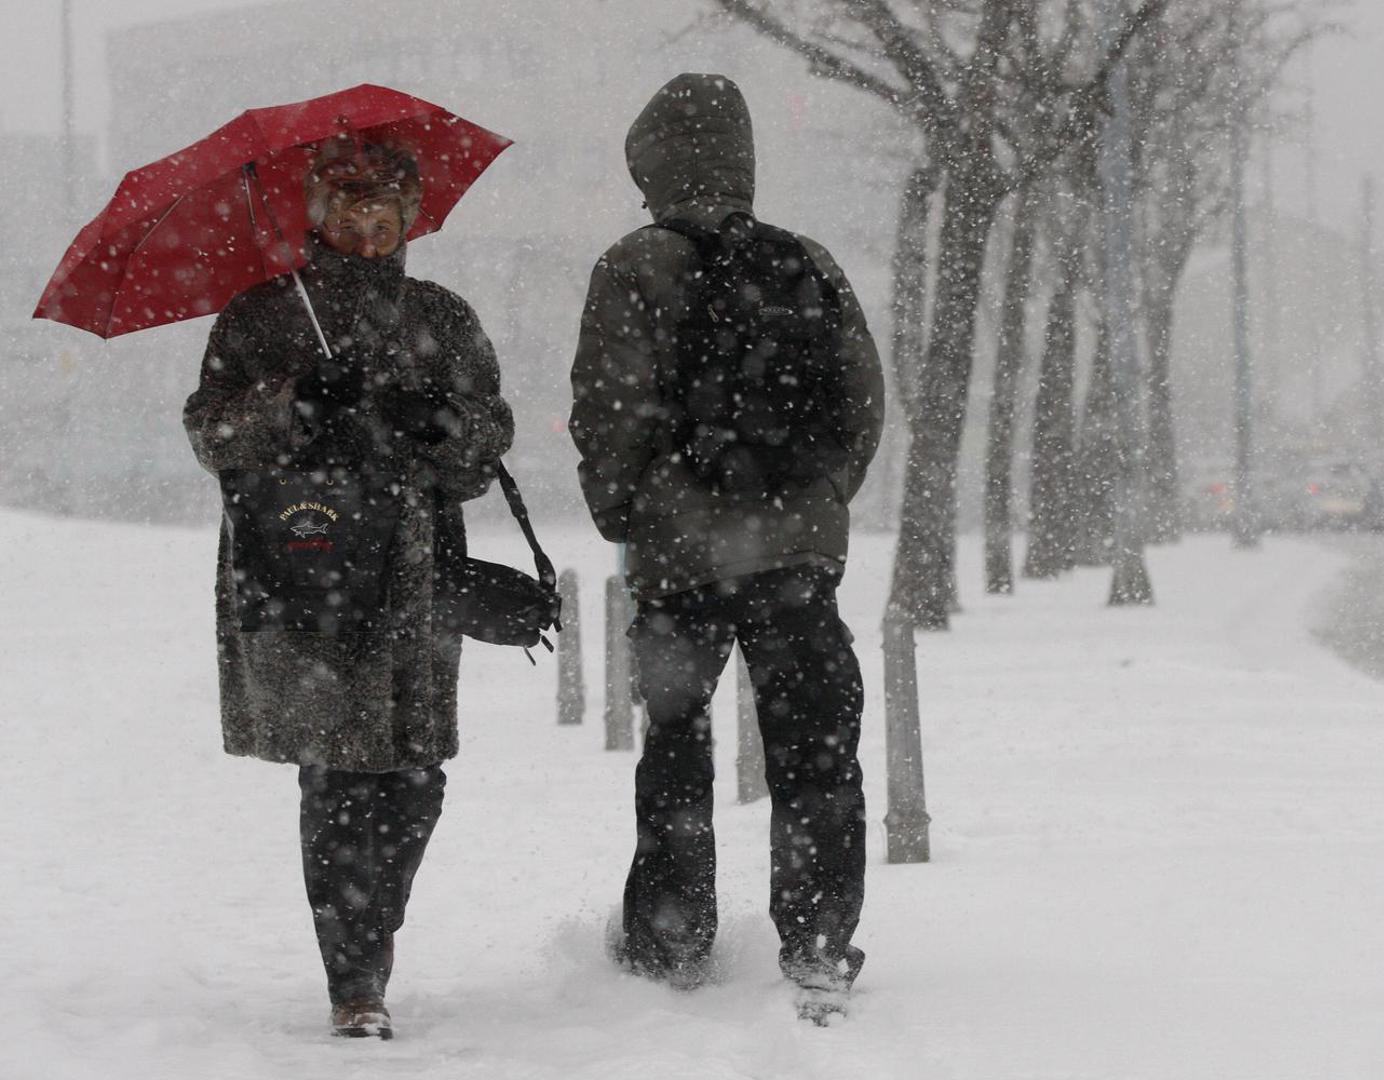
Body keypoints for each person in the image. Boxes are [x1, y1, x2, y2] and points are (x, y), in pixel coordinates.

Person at [568, 73, 885, 1022]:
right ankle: (819, 940)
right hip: (795, 556)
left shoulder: (633, 264)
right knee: (816, 749)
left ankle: (671, 937)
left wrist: (629, 511)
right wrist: (816, 504)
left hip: (680, 555)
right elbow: (861, 405)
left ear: (654, 168)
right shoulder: (809, 263)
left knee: (676, 740)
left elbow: (609, 410)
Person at [182, 138, 513, 1040]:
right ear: (315, 220)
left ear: (408, 221)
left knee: (415, 780)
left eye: (384, 222)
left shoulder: (440, 317)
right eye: (348, 221)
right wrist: (293, 402)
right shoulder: (260, 319)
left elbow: (488, 444)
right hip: (307, 576)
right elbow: (210, 433)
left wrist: (442, 423)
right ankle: (355, 977)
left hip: (416, 577)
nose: (367, 240)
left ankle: (375, 930)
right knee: (334, 781)